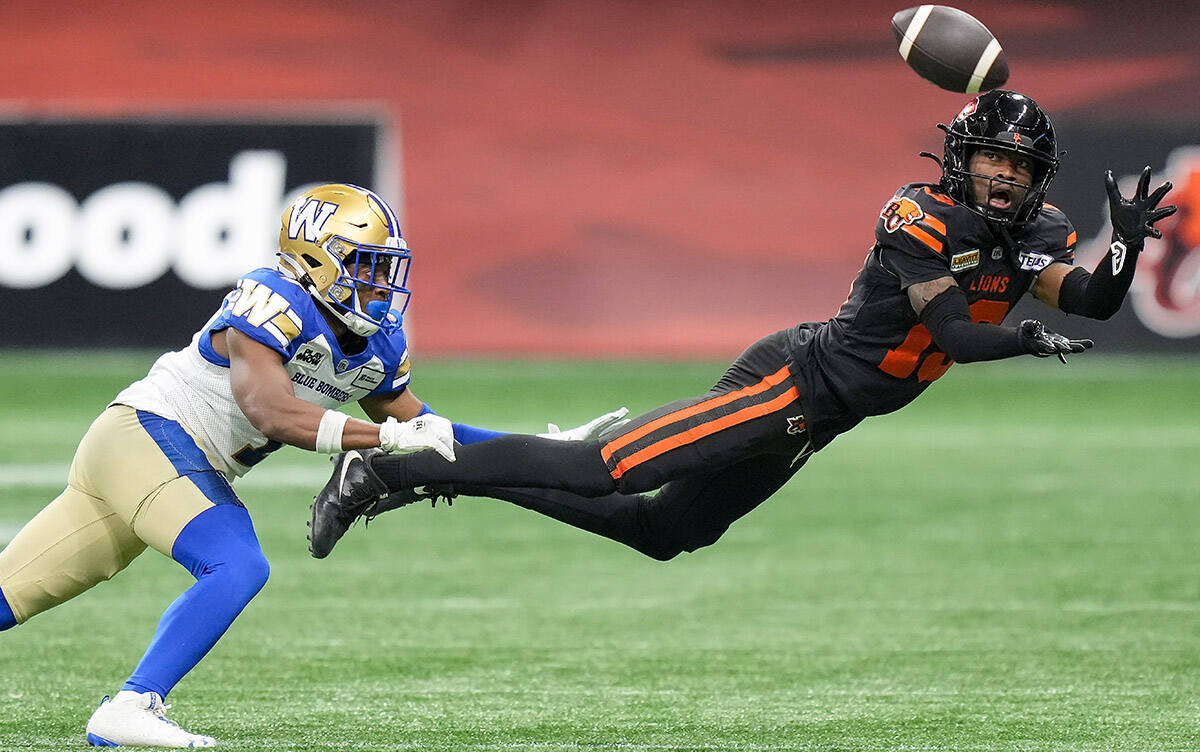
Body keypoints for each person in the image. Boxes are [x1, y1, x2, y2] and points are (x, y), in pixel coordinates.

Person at [307, 90, 1176, 567]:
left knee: (660, 533)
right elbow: (951, 333)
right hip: (793, 383)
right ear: (961, 158)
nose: (1003, 178)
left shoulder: (1036, 232)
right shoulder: (920, 216)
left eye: (1019, 167)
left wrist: (1126, 255)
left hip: (825, 416)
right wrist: (1023, 341)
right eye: (992, 160)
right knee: (599, 469)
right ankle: (387, 464)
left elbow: (1091, 297)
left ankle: (434, 477)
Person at [0, 183, 625, 748]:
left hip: (162, 458)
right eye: (365, 267)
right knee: (236, 562)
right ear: (315, 261)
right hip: (145, 435)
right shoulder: (272, 298)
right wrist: (381, 437)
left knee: (10, 594)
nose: (381, 285)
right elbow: (270, 412)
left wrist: (544, 445)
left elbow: (428, 430)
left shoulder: (375, 341)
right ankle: (132, 705)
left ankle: (132, 704)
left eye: (387, 270)